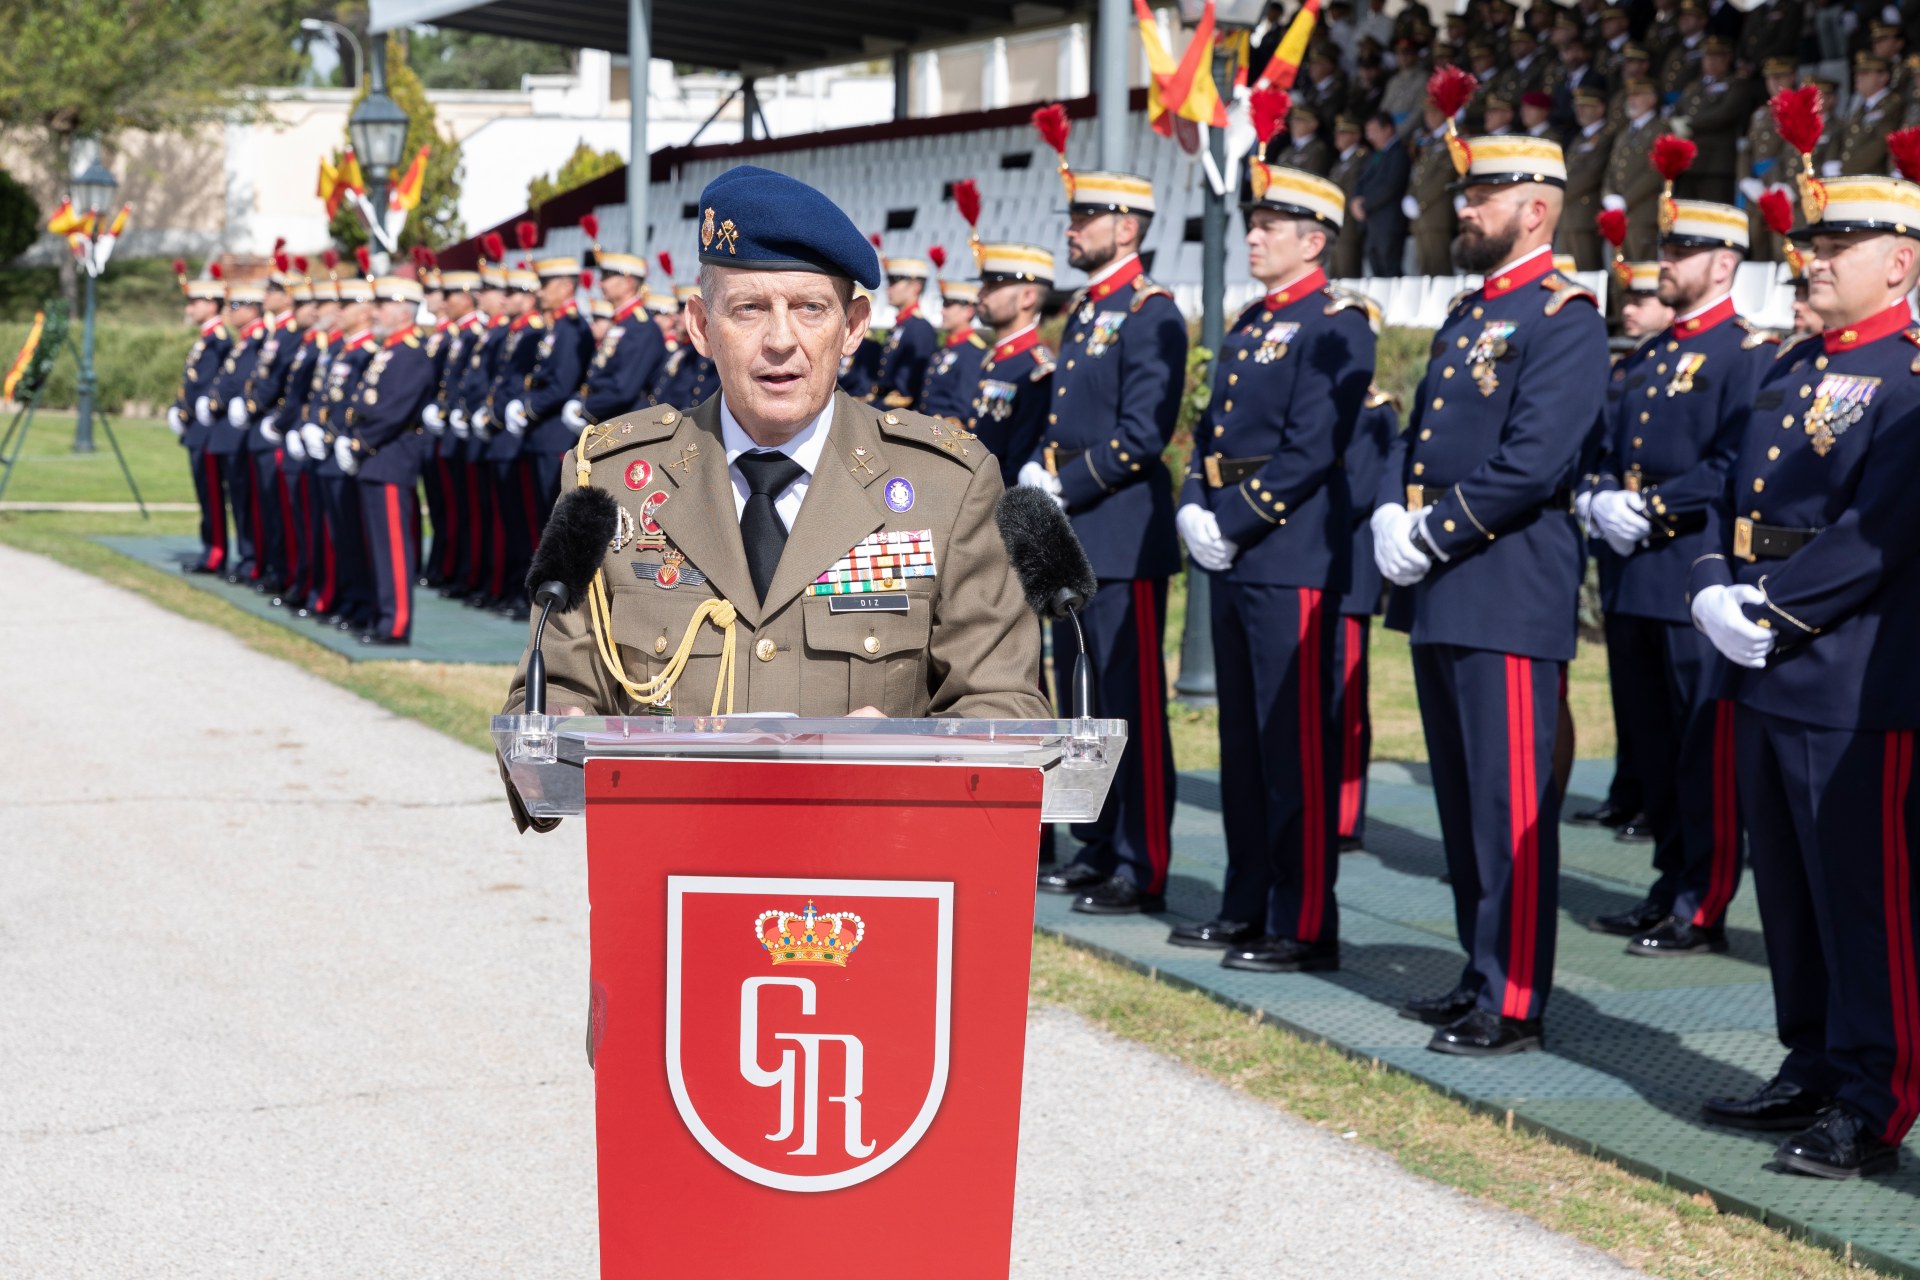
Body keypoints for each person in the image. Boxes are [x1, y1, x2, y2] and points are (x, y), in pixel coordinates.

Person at [498, 164, 1050, 828]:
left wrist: (914, 754)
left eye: (809, 308)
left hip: (871, 877)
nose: (780, 340)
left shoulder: (946, 488)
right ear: (701, 327)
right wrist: (558, 727)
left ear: (851, 329)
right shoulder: (608, 482)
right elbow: (550, 683)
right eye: (750, 308)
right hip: (671, 874)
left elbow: (1006, 704)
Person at [1688, 167, 1920, 1180]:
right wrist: (1709, 584)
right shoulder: (1792, 364)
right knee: (1786, 885)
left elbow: (1883, 532)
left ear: (1901, 262)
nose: (1812, 260)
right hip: (1766, 661)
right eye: (1812, 244)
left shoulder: (1910, 374)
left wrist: (1770, 610)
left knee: (1867, 895)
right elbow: (1726, 492)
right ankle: (1815, 1057)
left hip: (1852, 671)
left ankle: (1877, 1095)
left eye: (1839, 247)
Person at [1374, 135, 1607, 1055]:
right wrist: (1396, 509)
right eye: (1464, 194)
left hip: (1506, 591)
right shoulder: (1472, 311)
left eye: (1483, 195)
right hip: (1446, 589)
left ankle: (1513, 997)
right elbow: (1421, 431)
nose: (1463, 208)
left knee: (1510, 806)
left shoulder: (1565, 318)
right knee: (1466, 801)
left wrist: (1429, 531)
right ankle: (1480, 971)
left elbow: (1535, 462)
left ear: (1536, 208)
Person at [1171, 159, 1375, 971]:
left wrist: (1233, 519)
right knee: (1243, 743)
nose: (1252, 235)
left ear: (1313, 238)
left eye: (1269, 226)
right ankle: (1244, 902)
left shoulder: (1338, 320)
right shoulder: (1255, 319)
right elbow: (1212, 431)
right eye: (1251, 224)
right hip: (1234, 552)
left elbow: (1311, 449)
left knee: (1292, 746)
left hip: (1286, 553)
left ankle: (1303, 922)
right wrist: (1192, 499)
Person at [1583, 197, 1769, 955]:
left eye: (1685, 250)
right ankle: (1667, 884)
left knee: (1704, 750)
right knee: (1652, 747)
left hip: (1692, 572)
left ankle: (1703, 899)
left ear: (1724, 263)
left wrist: (1651, 504)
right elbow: (1603, 443)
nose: (1667, 261)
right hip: (1633, 574)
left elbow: (1732, 466)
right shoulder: (1651, 354)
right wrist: (1599, 495)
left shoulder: (1746, 352)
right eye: (1668, 248)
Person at [1023, 168, 1188, 916]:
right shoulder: (1092, 309)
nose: (1071, 228)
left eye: (1086, 216)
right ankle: (1100, 843)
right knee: (1087, 704)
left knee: (1132, 707)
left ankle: (1142, 861)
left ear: (1126, 226)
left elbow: (1144, 434)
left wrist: (1071, 480)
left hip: (1121, 534)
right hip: (1081, 537)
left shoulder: (1150, 312)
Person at [1570, 259, 1670, 834]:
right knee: (1629, 686)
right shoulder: (1628, 368)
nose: (1629, 307)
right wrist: (1594, 493)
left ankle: (1654, 798)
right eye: (1627, 296)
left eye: (1643, 297)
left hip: (1666, 542)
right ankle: (1630, 786)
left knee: (1665, 697)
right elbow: (1601, 446)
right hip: (1618, 539)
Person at [337, 276, 436, 646]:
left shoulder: (410, 353)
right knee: (376, 544)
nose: (374, 311)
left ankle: (395, 624)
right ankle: (381, 616)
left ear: (402, 309)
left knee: (393, 547)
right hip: (376, 458)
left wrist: (359, 442)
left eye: (381, 304)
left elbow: (393, 410)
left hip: (391, 458)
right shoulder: (390, 349)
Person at [1338, 384, 1396, 851]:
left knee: (1345, 699)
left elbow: (1357, 488)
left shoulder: (1373, 411)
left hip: (1348, 572)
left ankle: (1345, 813)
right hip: (1302, 563)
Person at [305, 273, 378, 634]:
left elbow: (358, 405)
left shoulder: (366, 354)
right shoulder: (343, 350)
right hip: (329, 449)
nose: (339, 311)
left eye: (346, 305)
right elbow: (326, 397)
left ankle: (359, 602)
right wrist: (314, 424)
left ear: (364, 310)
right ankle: (345, 598)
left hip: (345, 450)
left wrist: (336, 434)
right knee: (336, 532)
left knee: (351, 534)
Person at [235, 258, 304, 600]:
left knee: (280, 508)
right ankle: (273, 568)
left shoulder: (291, 333)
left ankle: (284, 572)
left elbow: (280, 382)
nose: (268, 294)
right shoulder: (278, 331)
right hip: (262, 423)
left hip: (275, 424)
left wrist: (256, 408)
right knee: (265, 505)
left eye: (275, 290)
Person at [482, 256, 547, 621]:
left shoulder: (533, 331)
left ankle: (524, 596)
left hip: (521, 435)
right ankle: (508, 588)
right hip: (504, 433)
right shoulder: (515, 331)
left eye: (513, 292)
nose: (505, 298)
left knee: (528, 522)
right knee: (510, 521)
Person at [966, 245, 1055, 490]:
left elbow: (1020, 464)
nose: (980, 294)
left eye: (992, 286)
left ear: (1027, 297)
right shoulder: (995, 358)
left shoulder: (1036, 370)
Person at [203, 281, 266, 585]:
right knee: (239, 499)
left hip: (239, 431)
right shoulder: (244, 341)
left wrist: (218, 400)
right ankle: (247, 557)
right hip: (228, 430)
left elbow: (243, 381)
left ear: (253, 309)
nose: (230, 312)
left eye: (236, 306)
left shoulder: (256, 342)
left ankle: (253, 558)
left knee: (248, 500)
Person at [171, 269, 232, 576]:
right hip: (197, 429)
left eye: (194, 302)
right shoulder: (206, 339)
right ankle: (210, 548)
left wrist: (190, 410)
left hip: (209, 430)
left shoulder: (219, 341)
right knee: (203, 494)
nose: (189, 308)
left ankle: (216, 552)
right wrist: (180, 409)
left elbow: (209, 385)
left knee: (212, 494)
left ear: (211, 304)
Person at [572, 249, 669, 432]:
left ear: (628, 282)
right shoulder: (622, 324)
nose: (600, 283)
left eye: (607, 277)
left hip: (624, 426)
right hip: (608, 420)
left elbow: (623, 389)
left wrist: (586, 409)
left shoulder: (641, 327)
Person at [1670, 38, 1753, 200]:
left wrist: (1690, 124)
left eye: (1717, 57)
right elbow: (1677, 110)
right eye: (1707, 57)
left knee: (1715, 215)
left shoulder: (1736, 83)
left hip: (1717, 164)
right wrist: (1673, 122)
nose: (1711, 62)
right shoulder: (1693, 86)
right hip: (1689, 163)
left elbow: (1725, 113)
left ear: (1727, 59)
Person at [1604, 78, 1669, 260]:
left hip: (1642, 212)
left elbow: (1655, 172)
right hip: (1618, 215)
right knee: (1620, 273)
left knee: (1642, 271)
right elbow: (1611, 169)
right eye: (1630, 95)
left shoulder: (1660, 128)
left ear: (1652, 99)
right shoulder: (1624, 132)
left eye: (1637, 95)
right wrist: (1608, 195)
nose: (1631, 100)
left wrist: (1626, 200)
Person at [917, 278, 989, 424]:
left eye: (948, 305)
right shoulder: (946, 349)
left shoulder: (973, 353)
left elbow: (961, 412)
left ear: (968, 311)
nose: (942, 311)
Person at [871, 257, 938, 409]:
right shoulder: (902, 325)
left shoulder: (920, 328)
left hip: (898, 410)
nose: (888, 289)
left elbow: (907, 391)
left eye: (894, 282)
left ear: (915, 287)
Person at [1561, 88, 1615, 269]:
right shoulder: (1581, 137)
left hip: (1586, 215)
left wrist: (1559, 191)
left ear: (1600, 109)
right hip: (1569, 215)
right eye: (1578, 106)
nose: (1580, 110)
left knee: (1587, 269)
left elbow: (1591, 173)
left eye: (1586, 106)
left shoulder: (1605, 136)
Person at [1353, 112, 1411, 276]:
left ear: (1388, 129)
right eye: (1368, 132)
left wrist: (1364, 205)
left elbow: (1390, 186)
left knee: (1390, 270)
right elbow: (1362, 180)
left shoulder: (1398, 153)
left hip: (1389, 223)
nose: (1370, 136)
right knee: (1377, 270)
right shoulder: (1375, 155)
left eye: (1374, 131)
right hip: (1373, 224)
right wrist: (1355, 201)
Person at [1407, 99, 1459, 274]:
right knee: (1425, 266)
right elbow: (1417, 173)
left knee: (1439, 266)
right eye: (1427, 113)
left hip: (1437, 211)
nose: (1429, 117)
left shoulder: (1450, 139)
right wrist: (1410, 195)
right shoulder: (1427, 141)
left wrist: (1420, 201)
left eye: (1433, 112)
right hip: (1422, 214)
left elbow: (1444, 177)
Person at [1327, 115, 1371, 278]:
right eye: (1338, 133)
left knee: (1347, 272)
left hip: (1348, 224)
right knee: (1336, 272)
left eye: (1344, 133)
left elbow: (1350, 191)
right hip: (1336, 223)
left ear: (1356, 136)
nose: (1338, 136)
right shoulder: (1341, 162)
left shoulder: (1360, 158)